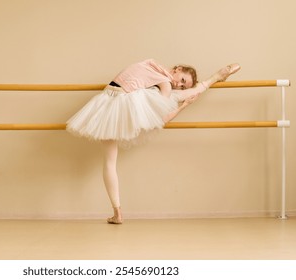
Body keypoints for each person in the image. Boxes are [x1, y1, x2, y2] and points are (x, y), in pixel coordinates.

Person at [66, 59, 241, 224]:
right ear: (177, 68)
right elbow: (162, 116)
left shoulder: (152, 67)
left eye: (182, 85)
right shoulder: (164, 80)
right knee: (174, 97)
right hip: (122, 103)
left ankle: (117, 212)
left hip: (107, 101)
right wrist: (183, 104)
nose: (178, 84)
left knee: (110, 161)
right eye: (181, 80)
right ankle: (215, 78)